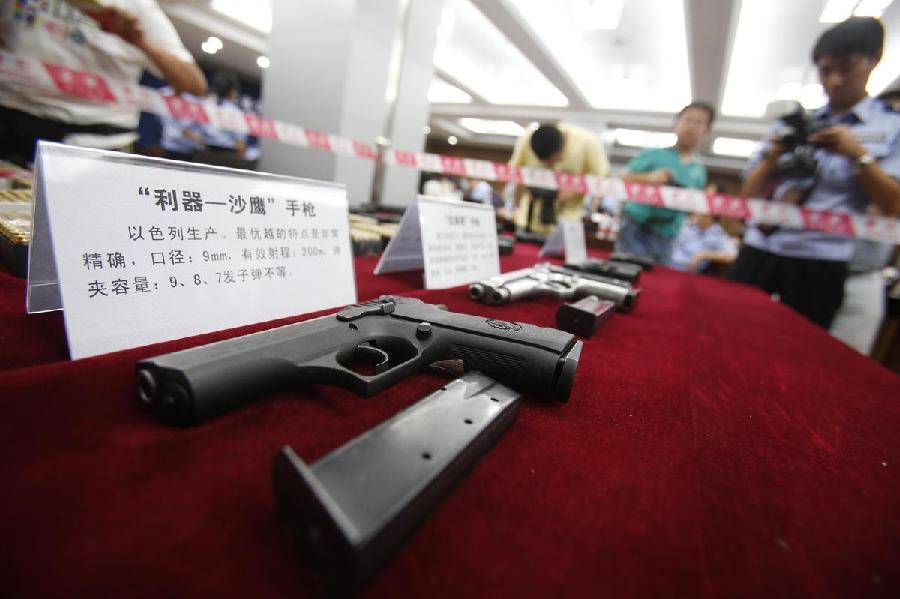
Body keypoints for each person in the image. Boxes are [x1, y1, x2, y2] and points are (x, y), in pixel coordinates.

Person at [728, 17, 900, 329]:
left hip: (821, 259)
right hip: (761, 247)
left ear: (875, 60)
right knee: (725, 330)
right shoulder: (792, 124)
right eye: (825, 70)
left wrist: (858, 156)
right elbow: (745, 199)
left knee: (798, 346)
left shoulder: (891, 126)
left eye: (847, 67)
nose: (835, 80)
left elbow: (894, 205)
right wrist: (771, 159)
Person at [0, 0, 206, 165]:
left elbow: (194, 84)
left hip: (96, 137)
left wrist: (138, 41)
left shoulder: (138, 6)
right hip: (11, 116)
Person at [614, 102, 716, 264]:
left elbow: (693, 211)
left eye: (698, 122)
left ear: (707, 130)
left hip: (667, 235)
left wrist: (702, 202)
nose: (690, 127)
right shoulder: (654, 154)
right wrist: (649, 178)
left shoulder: (699, 170)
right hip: (636, 227)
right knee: (625, 270)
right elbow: (624, 177)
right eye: (687, 120)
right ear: (676, 124)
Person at [509, 123, 609, 234]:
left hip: (567, 221)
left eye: (552, 161)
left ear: (563, 148)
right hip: (528, 218)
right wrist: (515, 205)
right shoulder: (526, 138)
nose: (549, 165)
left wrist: (575, 191)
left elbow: (602, 179)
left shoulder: (589, 142)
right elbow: (515, 173)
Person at [669, 213, 738, 272]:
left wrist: (702, 255)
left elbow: (733, 256)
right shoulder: (687, 224)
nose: (696, 215)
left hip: (686, 270)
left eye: (700, 214)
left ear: (709, 217)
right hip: (668, 261)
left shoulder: (718, 234)